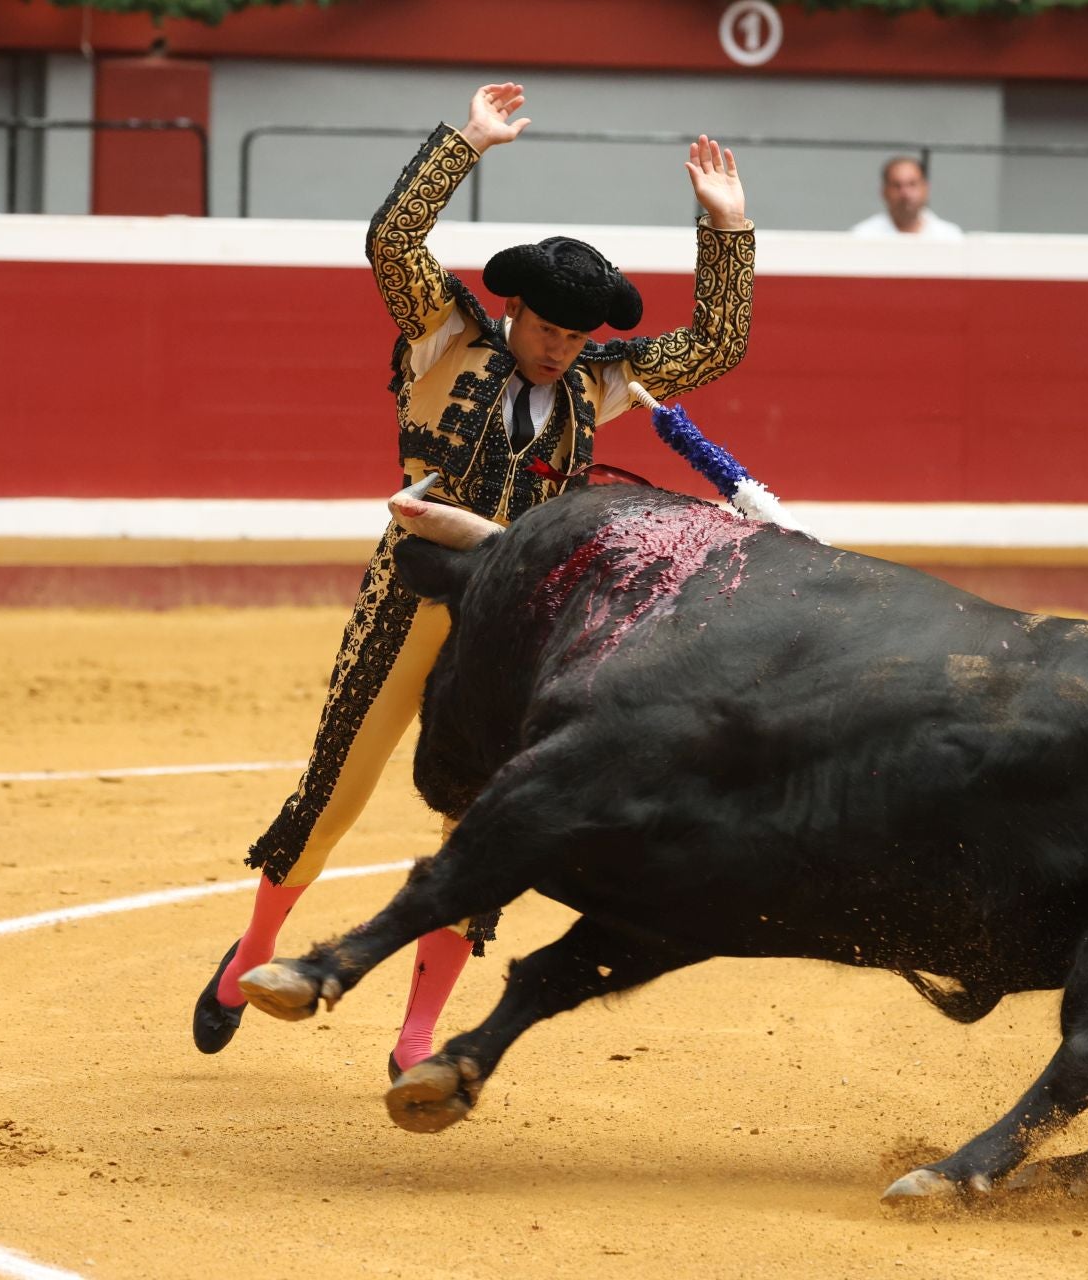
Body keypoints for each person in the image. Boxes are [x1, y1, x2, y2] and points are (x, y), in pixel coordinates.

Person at [193, 81, 754, 1078]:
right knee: (337, 788)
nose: (564, 346)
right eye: (552, 328)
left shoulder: (593, 384)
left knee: (487, 830)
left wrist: (728, 227)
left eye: (581, 335)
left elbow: (715, 345)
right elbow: (391, 243)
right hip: (412, 592)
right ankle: (250, 950)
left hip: (516, 625)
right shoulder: (444, 335)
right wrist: (465, 144)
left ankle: (417, 1035)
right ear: (517, 306)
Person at [850, 157, 962, 240]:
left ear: (926, 188)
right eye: (897, 186)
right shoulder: (862, 236)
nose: (905, 193)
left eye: (912, 184)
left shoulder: (950, 237)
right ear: (884, 191)